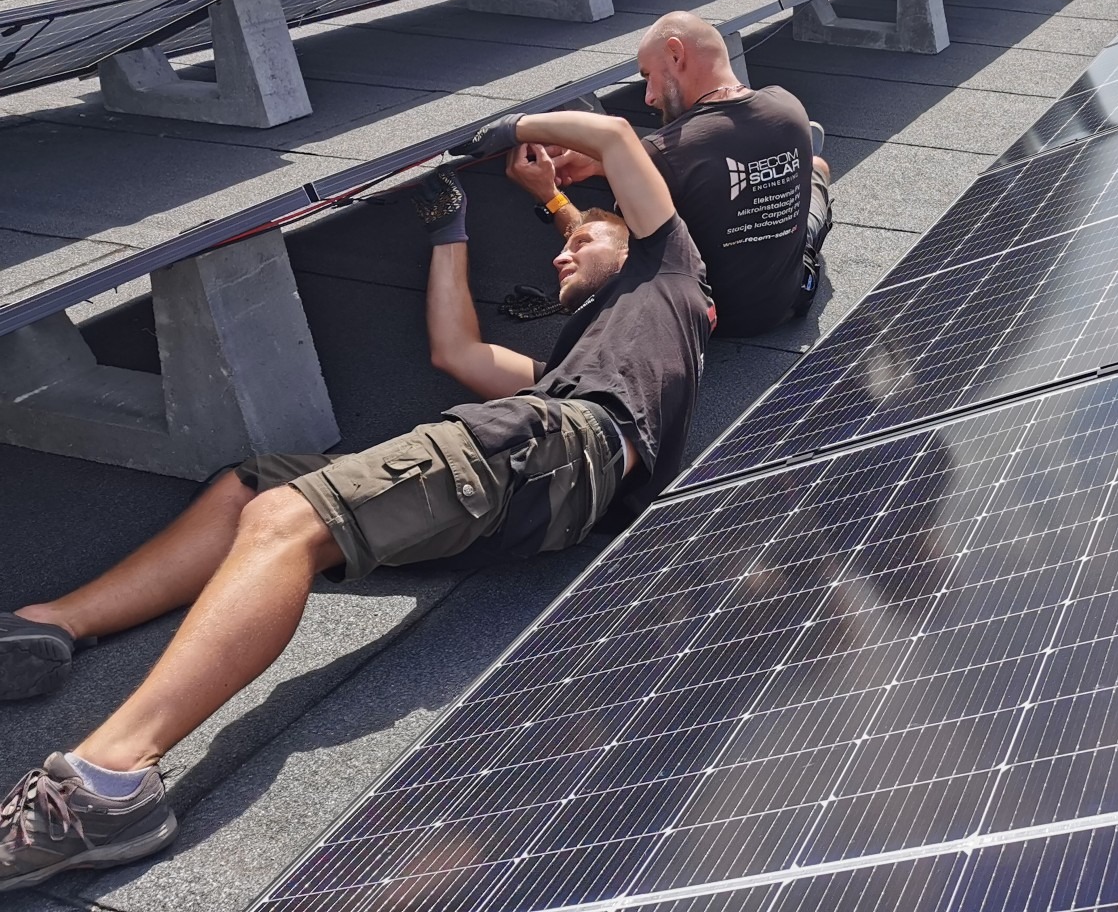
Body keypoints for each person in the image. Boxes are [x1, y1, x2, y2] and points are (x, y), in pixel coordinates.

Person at [0, 108, 711, 892]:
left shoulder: (670, 272)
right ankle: (56, 624)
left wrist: (508, 130)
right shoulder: (588, 356)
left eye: (581, 242)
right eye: (561, 243)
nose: (561, 252)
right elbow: (459, 351)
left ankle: (105, 787)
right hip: (547, 487)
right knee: (255, 484)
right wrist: (453, 229)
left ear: (642, 241)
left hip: (559, 449)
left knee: (287, 519)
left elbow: (610, 139)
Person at [521, 11, 833, 339]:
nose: (649, 97)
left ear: (675, 53)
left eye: (648, 76)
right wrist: (610, 163)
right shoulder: (788, 106)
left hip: (711, 322)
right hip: (792, 292)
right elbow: (688, 156)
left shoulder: (661, 153)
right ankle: (809, 167)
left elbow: (610, 250)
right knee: (813, 171)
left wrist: (549, 196)